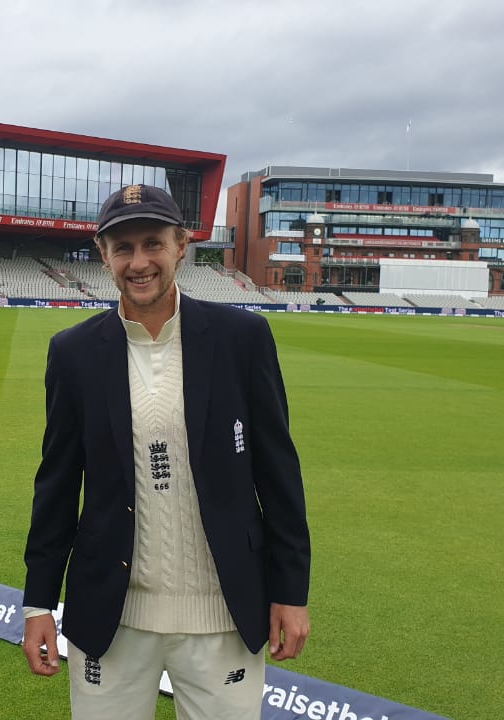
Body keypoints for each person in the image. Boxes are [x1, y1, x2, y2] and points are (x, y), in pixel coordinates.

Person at [22, 185, 312, 719]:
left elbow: (278, 472)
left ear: (181, 245)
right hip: (111, 614)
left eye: (153, 243)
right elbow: (57, 485)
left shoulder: (242, 337)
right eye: (123, 248)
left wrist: (291, 592)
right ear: (102, 253)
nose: (139, 262)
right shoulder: (74, 351)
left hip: (223, 613)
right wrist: (39, 602)